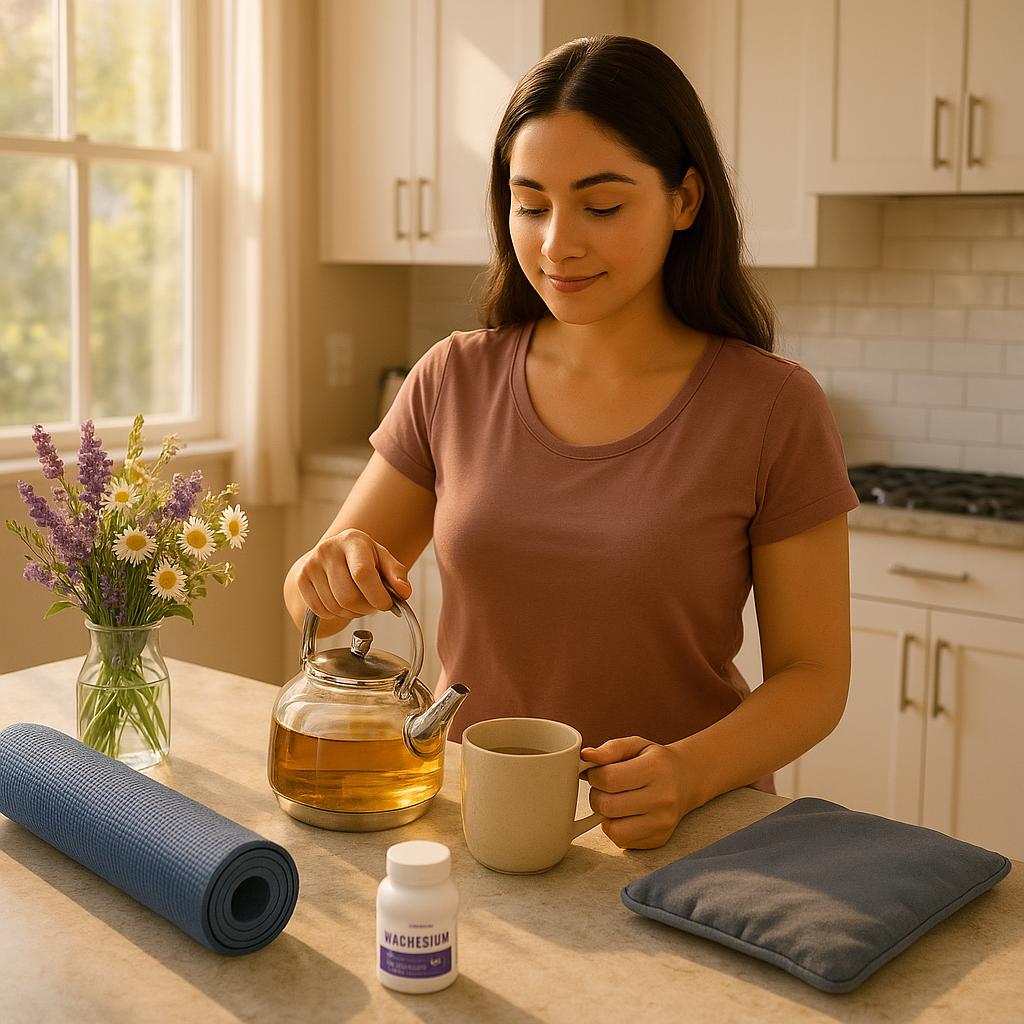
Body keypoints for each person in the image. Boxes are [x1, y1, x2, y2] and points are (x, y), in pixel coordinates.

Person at [284, 35, 859, 851]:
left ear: (685, 200)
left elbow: (816, 678)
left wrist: (688, 773)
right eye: (531, 203)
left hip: (680, 836)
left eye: (601, 205)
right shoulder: (453, 378)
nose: (558, 243)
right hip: (475, 821)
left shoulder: (772, 405)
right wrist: (325, 571)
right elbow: (310, 602)